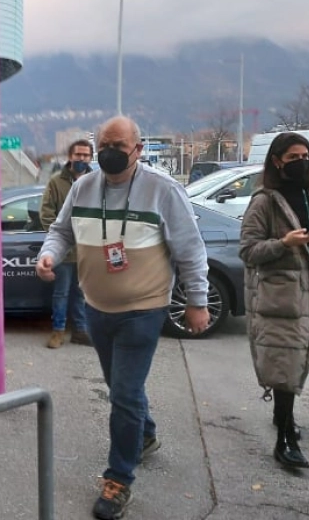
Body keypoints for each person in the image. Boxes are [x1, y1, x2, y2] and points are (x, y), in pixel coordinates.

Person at [36, 116, 210, 520]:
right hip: (97, 308)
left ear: (138, 149)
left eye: (119, 145)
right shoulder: (83, 187)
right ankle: (144, 435)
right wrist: (49, 255)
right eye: (104, 146)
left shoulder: (162, 190)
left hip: (143, 309)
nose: (110, 153)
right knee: (120, 387)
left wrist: (197, 302)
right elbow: (61, 231)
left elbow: (189, 249)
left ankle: (118, 478)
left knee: (125, 393)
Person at [238, 132, 309, 470]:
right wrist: (283, 243)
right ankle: (285, 438)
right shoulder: (264, 201)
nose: (301, 162)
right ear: (277, 161)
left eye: (305, 156)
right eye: (292, 157)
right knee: (286, 364)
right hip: (281, 298)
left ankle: (282, 417)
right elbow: (248, 251)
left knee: (302, 356)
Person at [39, 139, 92, 348]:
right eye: (78, 154)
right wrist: (59, 240)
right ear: (70, 156)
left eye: (86, 155)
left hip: (86, 252)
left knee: (81, 294)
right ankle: (58, 331)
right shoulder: (56, 182)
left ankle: (80, 330)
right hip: (63, 253)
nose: (82, 158)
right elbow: (46, 214)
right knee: (61, 293)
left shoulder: (95, 181)